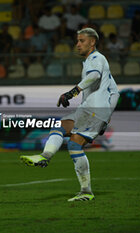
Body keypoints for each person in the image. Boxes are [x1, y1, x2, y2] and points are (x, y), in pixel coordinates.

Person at [20, 28, 119, 202]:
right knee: (60, 126)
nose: (78, 44)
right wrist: (107, 116)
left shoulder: (96, 59)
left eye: (82, 41)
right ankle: (45, 157)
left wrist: (72, 92)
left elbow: (94, 76)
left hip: (94, 109)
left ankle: (86, 192)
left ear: (92, 42)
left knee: (74, 146)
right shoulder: (100, 62)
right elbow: (115, 92)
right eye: (77, 41)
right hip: (90, 109)